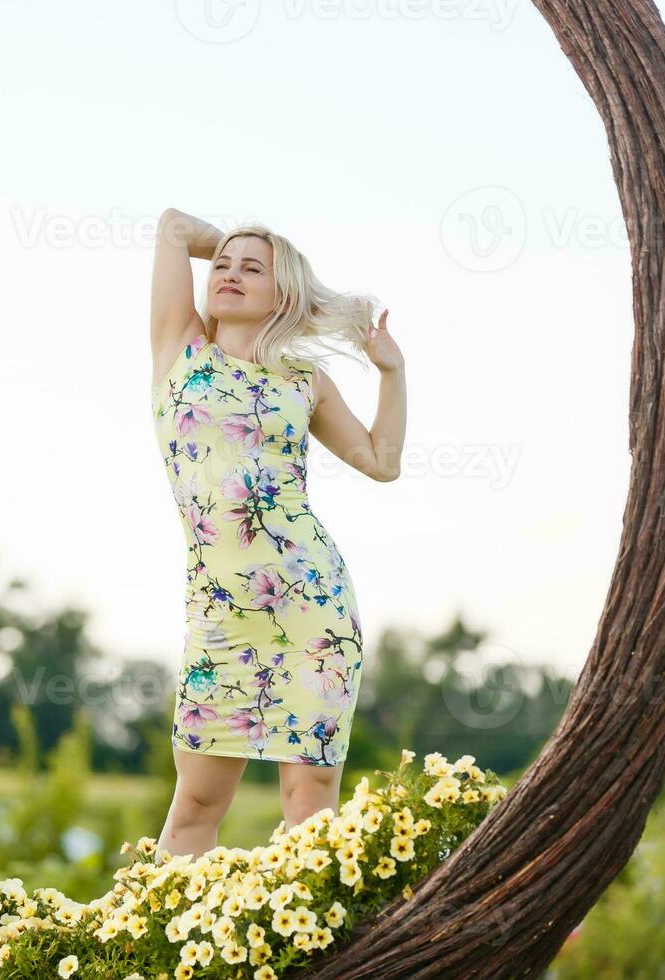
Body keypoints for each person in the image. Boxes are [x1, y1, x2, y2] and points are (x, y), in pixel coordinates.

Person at [149, 208, 406, 858]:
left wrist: (390, 374)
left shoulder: (303, 382)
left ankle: (316, 958)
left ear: (280, 294)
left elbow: (381, 462)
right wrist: (250, 247)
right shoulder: (180, 350)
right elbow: (175, 227)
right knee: (194, 810)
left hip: (311, 607)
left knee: (311, 802)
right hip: (221, 613)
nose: (228, 273)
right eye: (224, 265)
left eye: (251, 269)